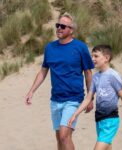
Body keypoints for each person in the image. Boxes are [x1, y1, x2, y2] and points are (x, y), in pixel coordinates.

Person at [25, 12, 94, 150]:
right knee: (60, 139)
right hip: (55, 100)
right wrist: (31, 91)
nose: (59, 28)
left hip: (73, 99)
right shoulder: (50, 47)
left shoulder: (80, 47)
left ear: (71, 30)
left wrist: (90, 98)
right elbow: (44, 71)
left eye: (63, 26)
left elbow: (88, 73)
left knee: (64, 136)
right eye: (58, 25)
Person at [68, 45, 122, 150]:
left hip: (110, 120)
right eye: (92, 56)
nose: (92, 59)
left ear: (106, 58)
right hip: (99, 120)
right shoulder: (95, 78)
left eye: (96, 56)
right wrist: (75, 114)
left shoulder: (113, 75)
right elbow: (88, 98)